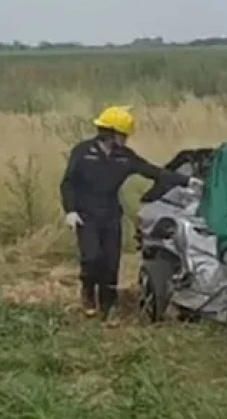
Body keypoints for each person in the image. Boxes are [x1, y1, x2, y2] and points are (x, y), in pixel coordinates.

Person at [60, 105, 201, 320]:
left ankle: (109, 305)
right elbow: (68, 183)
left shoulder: (125, 157)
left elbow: (153, 171)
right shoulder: (82, 151)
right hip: (85, 214)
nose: (125, 139)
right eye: (122, 134)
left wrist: (187, 181)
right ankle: (88, 291)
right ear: (109, 132)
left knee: (110, 261)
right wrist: (70, 210)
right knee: (91, 257)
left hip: (110, 214)